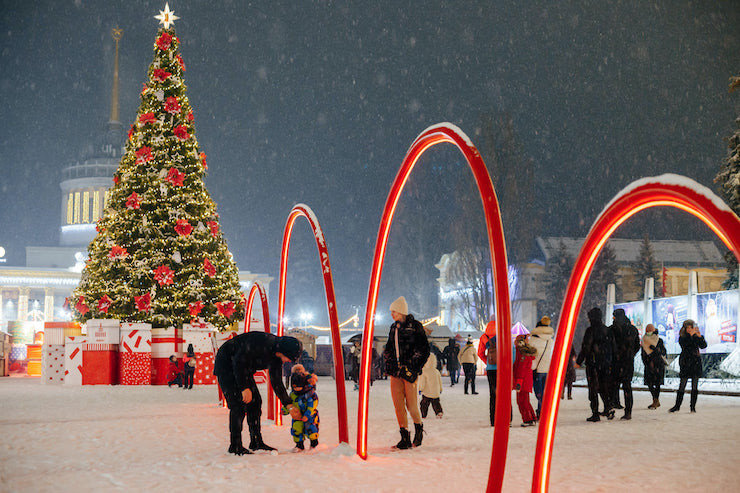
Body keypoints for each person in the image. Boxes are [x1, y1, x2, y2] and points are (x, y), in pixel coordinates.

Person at [213, 331, 303, 455]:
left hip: (244, 370)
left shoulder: (276, 358)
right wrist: (244, 388)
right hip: (226, 365)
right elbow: (239, 362)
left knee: (255, 402)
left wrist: (288, 404)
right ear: (283, 351)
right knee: (238, 405)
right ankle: (235, 445)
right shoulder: (263, 344)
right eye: (289, 358)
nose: (288, 361)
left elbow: (277, 382)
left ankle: (256, 441)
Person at [382, 296, 430, 449]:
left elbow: (424, 349)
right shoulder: (393, 328)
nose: (391, 314)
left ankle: (419, 429)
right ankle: (404, 436)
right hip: (396, 372)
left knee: (411, 405)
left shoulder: (415, 327)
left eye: (394, 311)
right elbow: (389, 348)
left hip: (409, 372)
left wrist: (412, 366)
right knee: (398, 405)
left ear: (401, 311)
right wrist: (389, 363)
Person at [576, 307, 616, 422]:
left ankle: (595, 413)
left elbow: (586, 347)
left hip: (593, 363)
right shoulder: (607, 330)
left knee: (593, 388)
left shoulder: (590, 330)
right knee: (604, 386)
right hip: (605, 363)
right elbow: (613, 347)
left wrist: (579, 361)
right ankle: (608, 407)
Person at [669, 319, 707, 413]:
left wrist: (698, 336)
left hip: (695, 362)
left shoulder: (696, 336)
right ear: (685, 328)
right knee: (682, 385)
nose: (690, 329)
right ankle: (677, 406)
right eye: (688, 327)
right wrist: (692, 336)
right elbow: (687, 346)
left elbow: (703, 346)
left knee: (695, 386)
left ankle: (692, 407)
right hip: (686, 362)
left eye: (691, 327)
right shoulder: (682, 337)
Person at [609, 308, 640, 420]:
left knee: (613, 385)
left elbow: (608, 346)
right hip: (628, 361)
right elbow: (637, 346)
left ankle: (611, 408)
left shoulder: (612, 329)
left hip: (615, 362)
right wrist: (630, 354)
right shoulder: (632, 329)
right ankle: (628, 411)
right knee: (627, 386)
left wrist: (614, 355)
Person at [285, 364, 320, 451]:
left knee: (311, 429)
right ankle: (299, 445)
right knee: (297, 429)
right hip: (297, 416)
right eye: (294, 387)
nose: (296, 389)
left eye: (298, 387)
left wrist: (307, 415)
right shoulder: (293, 394)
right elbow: (289, 403)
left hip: (310, 416)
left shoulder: (310, 394)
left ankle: (314, 444)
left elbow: (312, 405)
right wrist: (284, 410)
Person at [477, 321, 503, 427]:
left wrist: (488, 361)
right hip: (503, 369)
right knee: (503, 394)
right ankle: (506, 419)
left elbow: (480, 353)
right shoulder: (503, 335)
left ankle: (493, 420)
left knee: (493, 395)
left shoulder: (484, 337)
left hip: (491, 370)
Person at [530, 316, 555, 419]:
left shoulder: (533, 340)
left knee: (538, 393)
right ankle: (543, 411)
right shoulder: (551, 340)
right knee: (544, 392)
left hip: (537, 369)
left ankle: (541, 411)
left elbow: (530, 356)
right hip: (547, 369)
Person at [513, 334, 538, 426]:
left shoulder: (521, 353)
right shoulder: (524, 352)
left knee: (522, 401)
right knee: (524, 400)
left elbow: (521, 369)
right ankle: (531, 418)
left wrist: (518, 382)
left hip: (522, 380)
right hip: (525, 380)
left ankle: (528, 420)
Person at [641, 323, 667, 409]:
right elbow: (643, 353)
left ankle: (655, 400)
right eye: (647, 331)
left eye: (650, 331)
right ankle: (655, 399)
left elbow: (663, 352)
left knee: (657, 383)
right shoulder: (644, 340)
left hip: (658, 365)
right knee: (650, 383)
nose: (648, 332)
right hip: (649, 364)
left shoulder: (659, 340)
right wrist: (646, 363)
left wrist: (656, 350)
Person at [418, 351, 443, 418]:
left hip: (427, 392)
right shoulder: (436, 371)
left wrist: (420, 389)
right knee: (436, 403)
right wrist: (440, 389)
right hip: (435, 391)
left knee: (424, 404)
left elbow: (422, 382)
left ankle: (423, 414)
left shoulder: (424, 371)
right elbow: (440, 381)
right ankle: (439, 412)